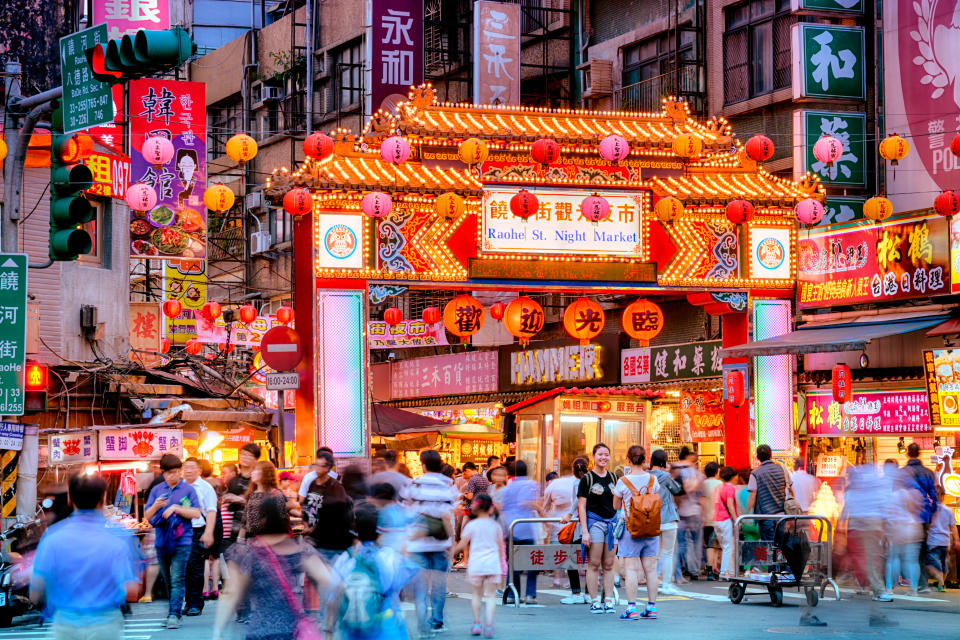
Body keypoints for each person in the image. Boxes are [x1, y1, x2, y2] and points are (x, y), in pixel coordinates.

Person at [30, 474, 140, 640]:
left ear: (70, 499)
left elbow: (35, 591)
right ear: (103, 499)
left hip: (65, 626)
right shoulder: (118, 538)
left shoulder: (53, 537)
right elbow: (131, 591)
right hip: (106, 625)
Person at [213, 490, 332, 640]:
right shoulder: (300, 549)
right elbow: (328, 582)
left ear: (260, 519)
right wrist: (330, 623)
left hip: (260, 630)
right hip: (292, 630)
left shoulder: (247, 552)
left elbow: (231, 594)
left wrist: (218, 632)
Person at [329, 504, 417, 640]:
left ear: (353, 532)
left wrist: (329, 629)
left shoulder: (345, 558)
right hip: (384, 625)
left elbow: (334, 595)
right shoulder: (388, 556)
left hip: (353, 627)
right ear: (380, 533)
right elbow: (405, 578)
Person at [403, 449, 458, 637]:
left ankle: (421, 624)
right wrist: (452, 540)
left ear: (423, 464)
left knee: (420, 586)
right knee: (439, 584)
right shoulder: (446, 486)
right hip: (440, 544)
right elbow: (446, 515)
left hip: (417, 544)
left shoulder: (414, 485)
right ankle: (437, 621)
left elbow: (407, 511)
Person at [144, 454, 202, 629]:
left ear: (180, 471)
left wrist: (176, 508)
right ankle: (173, 610)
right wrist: (157, 506)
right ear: (163, 473)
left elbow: (197, 513)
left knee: (177, 578)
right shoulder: (157, 490)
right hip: (162, 541)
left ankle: (174, 614)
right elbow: (147, 516)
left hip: (182, 540)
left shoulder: (188, 490)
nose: (172, 476)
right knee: (169, 579)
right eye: (168, 473)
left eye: (175, 472)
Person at [612, 445, 660, 620]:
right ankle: (651, 607)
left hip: (630, 528)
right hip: (650, 528)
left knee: (631, 569)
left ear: (628, 460)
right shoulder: (653, 480)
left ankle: (631, 608)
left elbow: (616, 506)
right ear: (645, 459)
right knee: (650, 569)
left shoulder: (623, 481)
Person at [453, 494, 505, 638]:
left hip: (476, 564)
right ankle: (488, 626)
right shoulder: (496, 526)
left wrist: (450, 553)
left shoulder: (471, 525)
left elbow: (462, 544)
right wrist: (502, 567)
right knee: (490, 596)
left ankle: (477, 624)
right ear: (490, 509)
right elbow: (501, 548)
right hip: (492, 564)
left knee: (476, 595)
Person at [578, 443, 619, 614]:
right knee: (594, 563)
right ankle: (594, 600)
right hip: (594, 524)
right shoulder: (586, 479)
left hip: (612, 524)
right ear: (593, 457)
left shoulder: (614, 477)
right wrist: (584, 531)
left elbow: (619, 502)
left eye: (606, 454)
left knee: (609, 564)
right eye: (600, 454)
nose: (603, 457)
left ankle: (608, 599)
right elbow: (581, 506)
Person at [497, 459, 541, 604]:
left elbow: (502, 507)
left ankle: (511, 594)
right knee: (533, 561)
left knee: (513, 562)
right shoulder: (531, 484)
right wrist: (541, 510)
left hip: (511, 526)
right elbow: (525, 502)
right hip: (526, 527)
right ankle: (530, 594)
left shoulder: (508, 487)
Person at [301, 450, 353, 563]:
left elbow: (334, 514)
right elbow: (307, 506)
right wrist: (306, 525)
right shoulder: (313, 484)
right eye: (316, 465)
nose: (317, 469)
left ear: (328, 468)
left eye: (321, 466)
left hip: (329, 542)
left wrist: (313, 528)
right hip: (313, 540)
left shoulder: (335, 487)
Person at [182, 457, 218, 616]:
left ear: (199, 470)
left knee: (195, 567)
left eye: (192, 467)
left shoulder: (205, 487)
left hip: (197, 530)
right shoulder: (179, 485)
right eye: (186, 467)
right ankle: (188, 602)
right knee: (184, 568)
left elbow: (211, 511)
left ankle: (196, 603)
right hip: (180, 531)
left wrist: (208, 532)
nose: (188, 470)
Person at [901, 443, 938, 592]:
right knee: (921, 550)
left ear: (907, 454)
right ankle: (923, 583)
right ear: (920, 453)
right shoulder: (928, 473)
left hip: (905, 517)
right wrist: (931, 513)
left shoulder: (903, 472)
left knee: (905, 549)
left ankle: (909, 581)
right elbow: (934, 497)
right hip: (923, 517)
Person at [884, 472, 925, 595]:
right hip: (913, 529)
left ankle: (889, 587)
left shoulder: (892, 496)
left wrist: (887, 532)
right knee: (912, 561)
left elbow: (889, 515)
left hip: (898, 529)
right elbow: (920, 510)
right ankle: (913, 589)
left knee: (893, 559)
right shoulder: (915, 494)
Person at [648, 449, 682, 594]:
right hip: (668, 518)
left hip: (651, 519)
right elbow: (676, 489)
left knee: (652, 554)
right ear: (664, 461)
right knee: (667, 553)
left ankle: (653, 582)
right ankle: (666, 585)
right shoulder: (666, 476)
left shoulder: (646, 476)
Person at [559, 456, 590, 604]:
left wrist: (570, 514)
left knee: (571, 558)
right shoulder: (592, 479)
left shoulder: (577, 482)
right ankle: (589, 593)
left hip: (579, 525)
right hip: (592, 523)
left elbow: (578, 500)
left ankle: (576, 593)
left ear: (573, 470)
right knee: (591, 561)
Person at [673, 447, 704, 582]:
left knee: (680, 543)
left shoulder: (674, 471)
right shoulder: (696, 474)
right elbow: (701, 496)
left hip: (679, 511)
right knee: (695, 542)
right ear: (690, 456)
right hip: (694, 511)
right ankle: (693, 569)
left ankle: (680, 570)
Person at [222, 443, 260, 546]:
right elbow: (230, 508)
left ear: (256, 459)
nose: (244, 457)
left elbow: (263, 502)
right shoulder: (233, 481)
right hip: (234, 530)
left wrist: (240, 499)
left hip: (255, 533)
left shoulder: (258, 480)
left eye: (249, 455)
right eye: (242, 454)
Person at [746, 444, 786, 542]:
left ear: (758, 457)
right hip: (781, 514)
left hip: (765, 516)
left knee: (769, 546)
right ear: (771, 455)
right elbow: (788, 487)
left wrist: (746, 514)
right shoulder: (781, 469)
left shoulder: (755, 473)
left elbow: (752, 496)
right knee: (781, 545)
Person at [925, 486, 957, 592]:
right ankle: (940, 584)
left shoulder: (930, 509)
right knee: (943, 565)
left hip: (933, 541)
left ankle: (941, 582)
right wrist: (957, 540)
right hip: (945, 541)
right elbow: (953, 526)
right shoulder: (949, 510)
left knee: (930, 565)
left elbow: (927, 525)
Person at [713, 466, 739, 579]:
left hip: (716, 520)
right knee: (728, 547)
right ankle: (724, 572)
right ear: (733, 476)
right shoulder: (730, 488)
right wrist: (736, 519)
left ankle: (726, 571)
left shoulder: (718, 487)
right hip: (725, 520)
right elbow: (730, 505)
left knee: (725, 547)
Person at [701, 461, 721, 580]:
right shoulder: (720, 484)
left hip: (705, 518)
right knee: (715, 545)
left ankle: (710, 569)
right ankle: (713, 568)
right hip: (718, 518)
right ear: (717, 472)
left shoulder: (702, 484)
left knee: (709, 544)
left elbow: (701, 501)